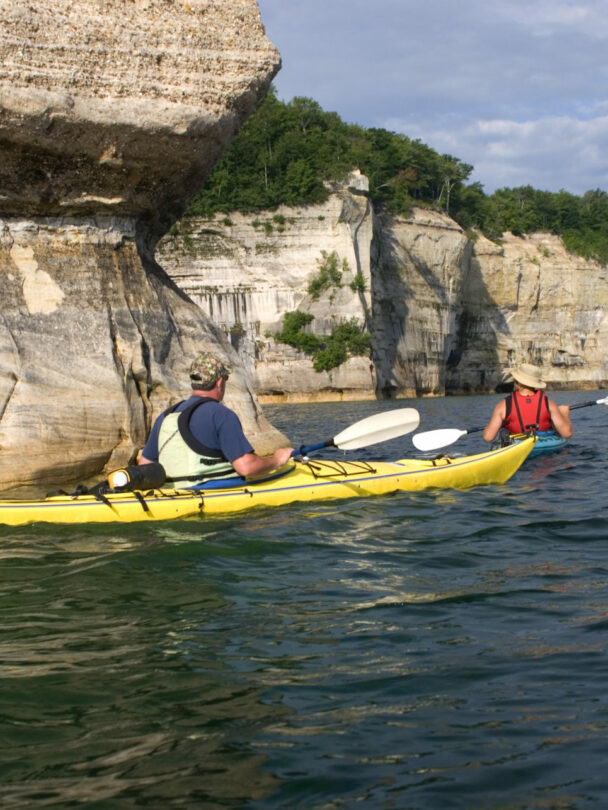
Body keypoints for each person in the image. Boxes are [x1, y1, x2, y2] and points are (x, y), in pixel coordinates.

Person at [139, 352, 294, 488]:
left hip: (170, 494)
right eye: (225, 378)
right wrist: (277, 460)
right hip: (210, 494)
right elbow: (246, 467)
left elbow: (145, 464)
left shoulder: (166, 416)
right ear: (220, 382)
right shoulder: (221, 414)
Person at [483, 363, 572, 443]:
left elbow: (488, 437)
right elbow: (567, 433)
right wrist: (564, 414)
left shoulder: (503, 406)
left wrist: (494, 425)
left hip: (517, 447)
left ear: (516, 381)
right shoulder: (548, 403)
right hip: (543, 445)